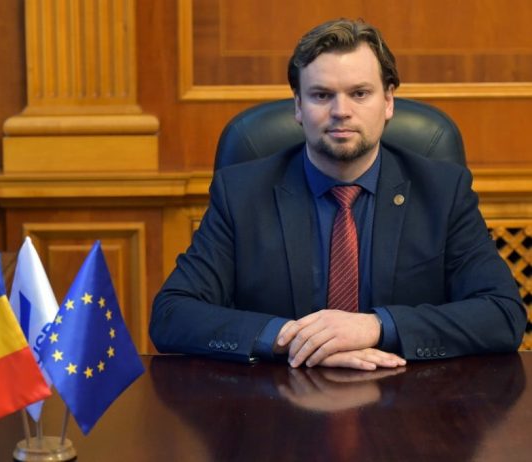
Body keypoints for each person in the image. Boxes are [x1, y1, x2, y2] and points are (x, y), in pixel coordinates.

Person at [150, 18, 526, 370]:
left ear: (388, 101)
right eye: (321, 95)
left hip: (409, 399)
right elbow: (172, 314)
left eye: (359, 93)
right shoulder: (242, 193)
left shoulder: (442, 191)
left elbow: (502, 313)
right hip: (278, 402)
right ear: (298, 106)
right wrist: (292, 338)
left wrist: (377, 326)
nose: (340, 111)